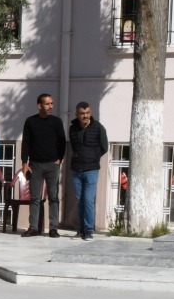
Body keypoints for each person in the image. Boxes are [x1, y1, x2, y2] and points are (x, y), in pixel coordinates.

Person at [21, 93, 68, 238]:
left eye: (52, 103)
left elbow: (62, 141)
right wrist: (24, 162)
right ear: (39, 105)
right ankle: (33, 227)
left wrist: (59, 159)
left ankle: (53, 228)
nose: (50, 106)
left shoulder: (56, 121)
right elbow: (26, 143)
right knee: (35, 197)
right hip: (35, 164)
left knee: (53, 196)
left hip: (52, 164)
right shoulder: (30, 121)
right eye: (47, 104)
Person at [67, 101, 108, 240]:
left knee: (88, 199)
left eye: (87, 113)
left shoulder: (98, 128)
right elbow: (73, 146)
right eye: (82, 113)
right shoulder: (72, 128)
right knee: (80, 200)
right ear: (77, 114)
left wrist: (93, 158)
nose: (85, 116)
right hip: (76, 169)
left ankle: (89, 230)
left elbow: (104, 147)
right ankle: (81, 229)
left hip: (91, 170)